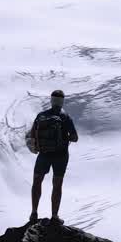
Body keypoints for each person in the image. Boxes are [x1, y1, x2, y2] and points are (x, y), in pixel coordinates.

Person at [27, 89, 79, 223]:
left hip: (44, 155)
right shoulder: (65, 117)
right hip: (61, 156)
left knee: (37, 181)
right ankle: (54, 216)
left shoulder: (41, 115)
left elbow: (32, 134)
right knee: (57, 184)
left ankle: (34, 213)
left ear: (51, 100)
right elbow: (75, 138)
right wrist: (66, 137)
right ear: (62, 102)